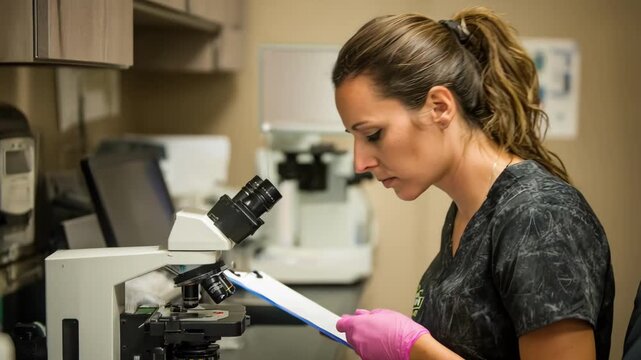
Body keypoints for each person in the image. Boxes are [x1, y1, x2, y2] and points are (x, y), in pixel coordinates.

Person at [332, 7, 614, 360]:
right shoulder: (467, 211)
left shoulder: (539, 217)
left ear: (439, 106)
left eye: (373, 134)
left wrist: (413, 349)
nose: (360, 162)